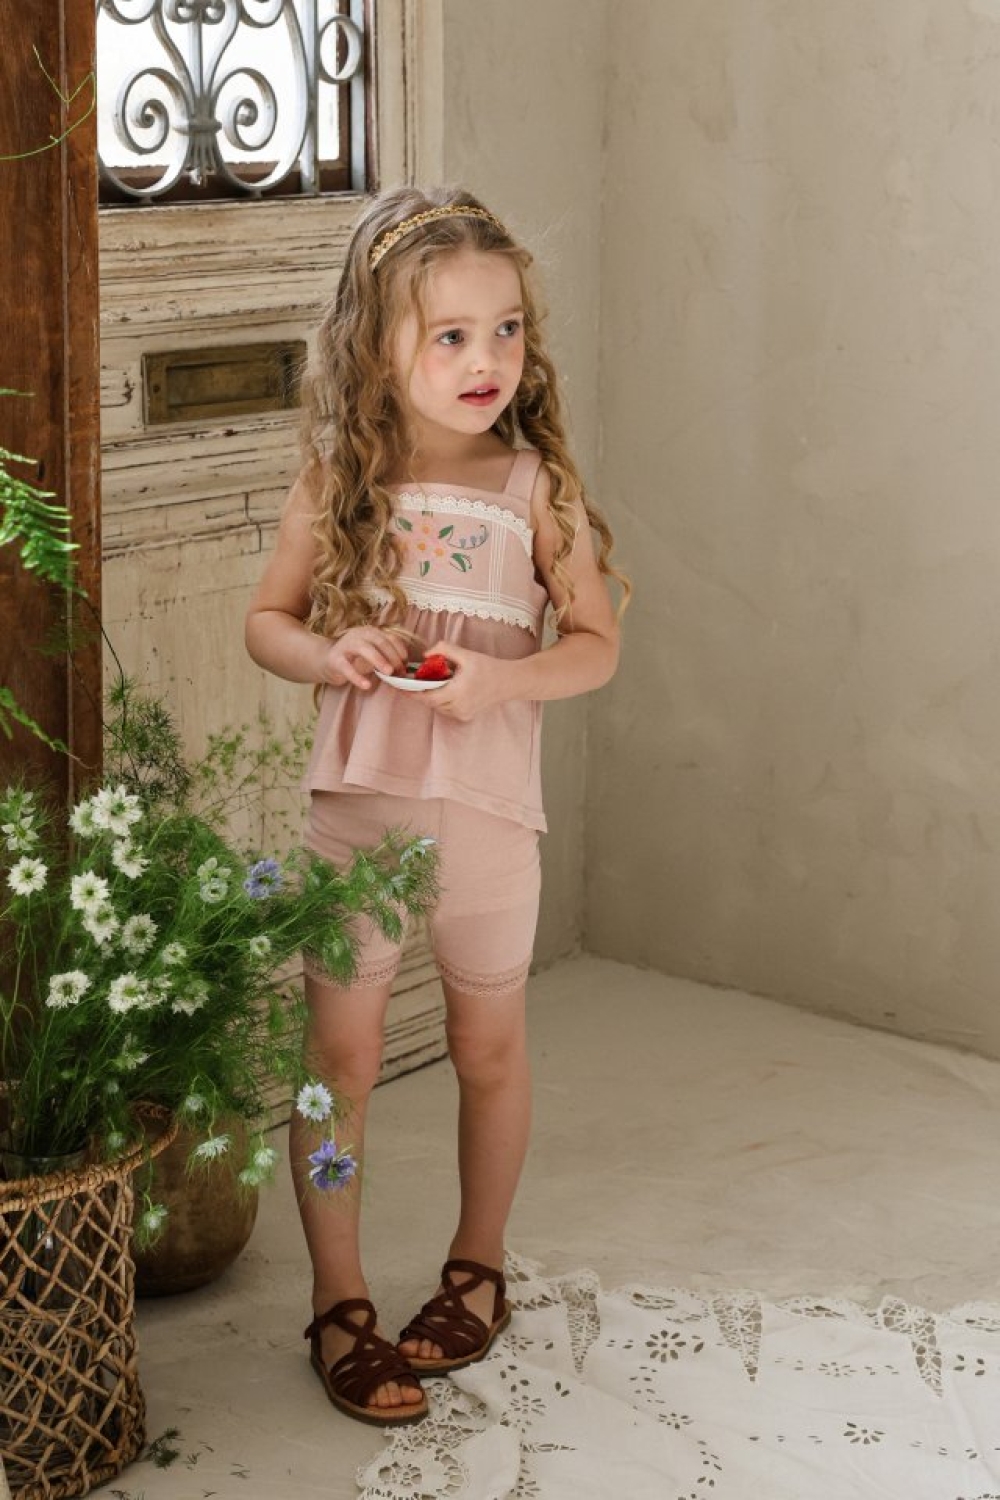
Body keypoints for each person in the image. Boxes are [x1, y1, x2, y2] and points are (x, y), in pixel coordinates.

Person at [244, 185, 630, 1426]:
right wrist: (329, 652)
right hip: (355, 816)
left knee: (489, 1050)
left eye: (505, 329)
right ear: (377, 346)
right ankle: (339, 1298)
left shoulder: (531, 487)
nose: (486, 360)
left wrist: (500, 680)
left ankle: (478, 1267)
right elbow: (267, 622)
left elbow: (595, 646)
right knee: (338, 1066)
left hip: (488, 819)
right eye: (451, 334)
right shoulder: (337, 482)